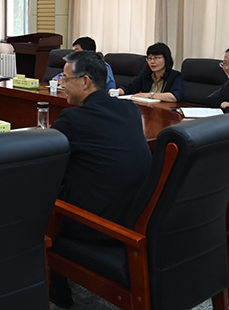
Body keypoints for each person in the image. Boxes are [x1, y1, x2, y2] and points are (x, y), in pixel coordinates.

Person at [49, 51, 152, 306]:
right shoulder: (129, 109)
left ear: (85, 82)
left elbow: (44, 162)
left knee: (37, 199)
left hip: (98, 227)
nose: (61, 84)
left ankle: (54, 288)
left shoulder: (74, 119)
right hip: (134, 218)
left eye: (65, 78)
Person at [118, 42, 184, 102]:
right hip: (148, 108)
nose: (152, 61)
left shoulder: (175, 76)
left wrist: (149, 95)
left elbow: (175, 96)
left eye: (156, 58)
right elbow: (129, 88)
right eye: (149, 58)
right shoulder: (146, 75)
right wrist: (117, 91)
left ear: (166, 59)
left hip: (165, 109)